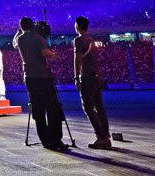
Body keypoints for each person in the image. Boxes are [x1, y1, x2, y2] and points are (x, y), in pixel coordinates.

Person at [13, 17, 68, 152]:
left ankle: (45, 140)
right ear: (32, 26)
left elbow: (14, 42)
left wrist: (19, 31)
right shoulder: (38, 38)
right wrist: (57, 55)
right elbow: (46, 54)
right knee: (53, 108)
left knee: (38, 109)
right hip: (42, 76)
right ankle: (55, 139)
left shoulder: (20, 39)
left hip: (29, 77)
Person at [73, 16, 112, 149]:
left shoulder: (78, 40)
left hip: (87, 77)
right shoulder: (90, 39)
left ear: (77, 26)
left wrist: (76, 77)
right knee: (99, 107)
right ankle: (106, 136)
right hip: (97, 76)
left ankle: (100, 137)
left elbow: (77, 59)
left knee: (88, 108)